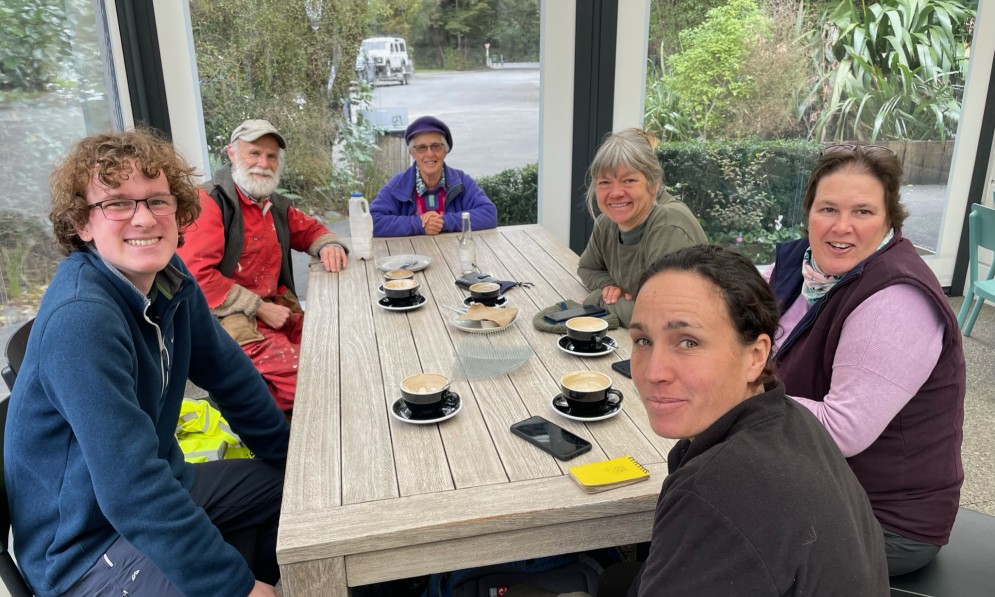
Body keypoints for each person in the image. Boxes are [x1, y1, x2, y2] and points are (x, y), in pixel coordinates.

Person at [5, 129, 289, 597]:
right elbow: (132, 490)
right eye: (117, 204)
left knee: (301, 497)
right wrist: (234, 587)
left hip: (162, 488)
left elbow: (232, 380)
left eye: (158, 201)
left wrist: (294, 461)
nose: (143, 218)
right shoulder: (83, 320)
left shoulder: (170, 282)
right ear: (83, 223)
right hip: (86, 553)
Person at [624, 244, 888, 596]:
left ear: (756, 356)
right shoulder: (794, 421)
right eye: (643, 340)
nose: (653, 371)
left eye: (688, 342)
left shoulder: (715, 492)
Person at [767, 144, 965, 576]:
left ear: (889, 218)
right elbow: (731, 293)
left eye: (863, 212)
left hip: (883, 521)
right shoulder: (810, 269)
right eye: (828, 209)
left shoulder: (897, 299)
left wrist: (733, 395)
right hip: (820, 485)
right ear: (809, 213)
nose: (842, 226)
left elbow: (844, 430)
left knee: (723, 537)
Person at [177, 119, 348, 415]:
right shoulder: (209, 203)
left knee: (335, 350)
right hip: (229, 321)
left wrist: (328, 244)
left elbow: (309, 230)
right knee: (308, 383)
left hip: (277, 310)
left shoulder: (270, 203)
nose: (263, 163)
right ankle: (260, 423)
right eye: (254, 153)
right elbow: (197, 278)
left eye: (271, 156)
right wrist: (259, 307)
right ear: (232, 154)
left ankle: (272, 409)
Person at [576, 128, 706, 327]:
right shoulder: (607, 223)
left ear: (653, 184)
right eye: (604, 182)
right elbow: (587, 267)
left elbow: (660, 318)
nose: (616, 193)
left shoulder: (668, 224)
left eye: (629, 180)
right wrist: (611, 287)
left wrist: (599, 301)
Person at [370, 115, 497, 237]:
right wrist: (419, 224)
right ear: (412, 153)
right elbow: (372, 222)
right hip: (411, 256)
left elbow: (489, 214)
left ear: (445, 151)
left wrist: (443, 222)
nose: (430, 154)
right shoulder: (399, 184)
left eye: (436, 146)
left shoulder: (461, 181)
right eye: (421, 148)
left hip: (453, 254)